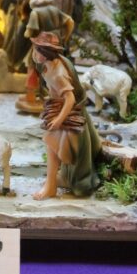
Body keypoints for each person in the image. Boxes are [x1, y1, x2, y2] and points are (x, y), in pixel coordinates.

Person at [30, 32, 100, 200]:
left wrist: (58, 120)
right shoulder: (52, 63)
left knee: (52, 142)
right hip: (58, 108)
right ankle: (54, 182)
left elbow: (70, 98)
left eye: (37, 50)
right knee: (52, 145)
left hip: (68, 113)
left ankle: (51, 186)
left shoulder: (58, 74)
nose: (34, 53)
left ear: (46, 52)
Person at [16, 0, 75, 113]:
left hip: (41, 45)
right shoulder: (55, 10)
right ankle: (51, 96)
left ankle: (31, 96)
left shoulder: (35, 13)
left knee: (32, 67)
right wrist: (65, 37)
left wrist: (27, 33)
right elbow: (70, 22)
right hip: (56, 44)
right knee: (53, 69)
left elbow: (30, 31)